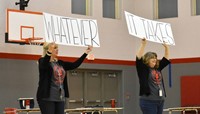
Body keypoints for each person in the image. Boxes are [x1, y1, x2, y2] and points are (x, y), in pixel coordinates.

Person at [36, 42, 93, 114]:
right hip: (47, 98)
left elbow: (74, 65)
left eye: (57, 48)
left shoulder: (60, 63)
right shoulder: (42, 61)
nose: (57, 50)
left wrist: (86, 52)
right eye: (55, 48)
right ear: (48, 50)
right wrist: (49, 52)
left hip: (60, 97)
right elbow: (44, 65)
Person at [136, 38, 170, 114]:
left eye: (156, 60)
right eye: (153, 60)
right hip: (148, 101)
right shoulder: (143, 69)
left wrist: (166, 47)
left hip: (160, 101)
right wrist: (143, 44)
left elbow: (166, 58)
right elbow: (138, 58)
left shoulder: (157, 68)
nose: (155, 62)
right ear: (147, 60)